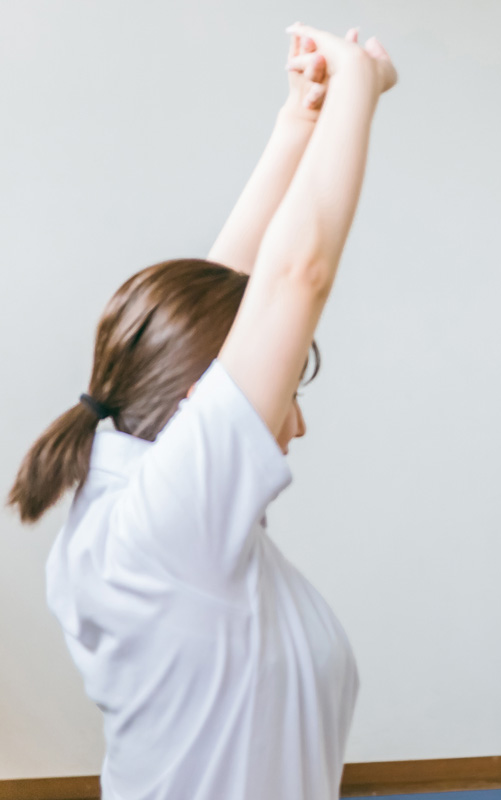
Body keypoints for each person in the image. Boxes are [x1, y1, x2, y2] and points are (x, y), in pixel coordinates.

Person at [7, 24, 395, 800]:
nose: (298, 424)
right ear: (200, 402)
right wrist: (357, 87)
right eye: (291, 391)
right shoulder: (167, 523)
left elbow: (216, 302)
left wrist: (300, 120)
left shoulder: (135, 479)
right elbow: (296, 274)